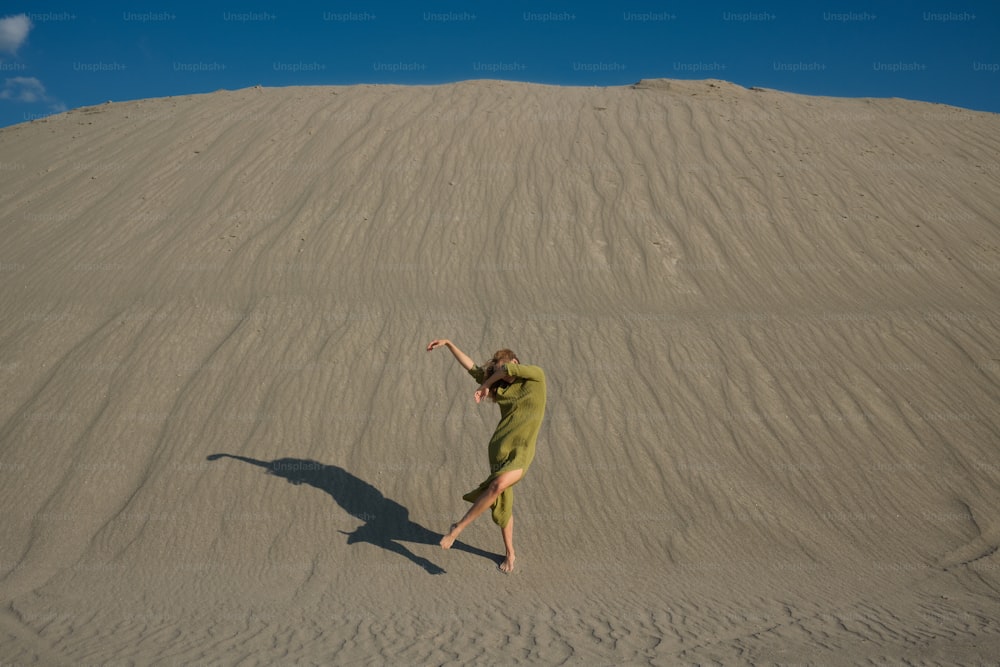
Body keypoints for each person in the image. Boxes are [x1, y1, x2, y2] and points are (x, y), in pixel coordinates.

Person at [426, 338, 547, 573]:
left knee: (497, 486)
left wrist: (486, 384)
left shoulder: (536, 377)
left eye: (506, 371)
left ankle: (457, 528)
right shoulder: (500, 385)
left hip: (521, 451)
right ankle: (510, 552)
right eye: (500, 375)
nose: (505, 377)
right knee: (503, 503)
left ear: (516, 361)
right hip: (499, 450)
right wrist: (450, 344)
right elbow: (471, 367)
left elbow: (507, 369)